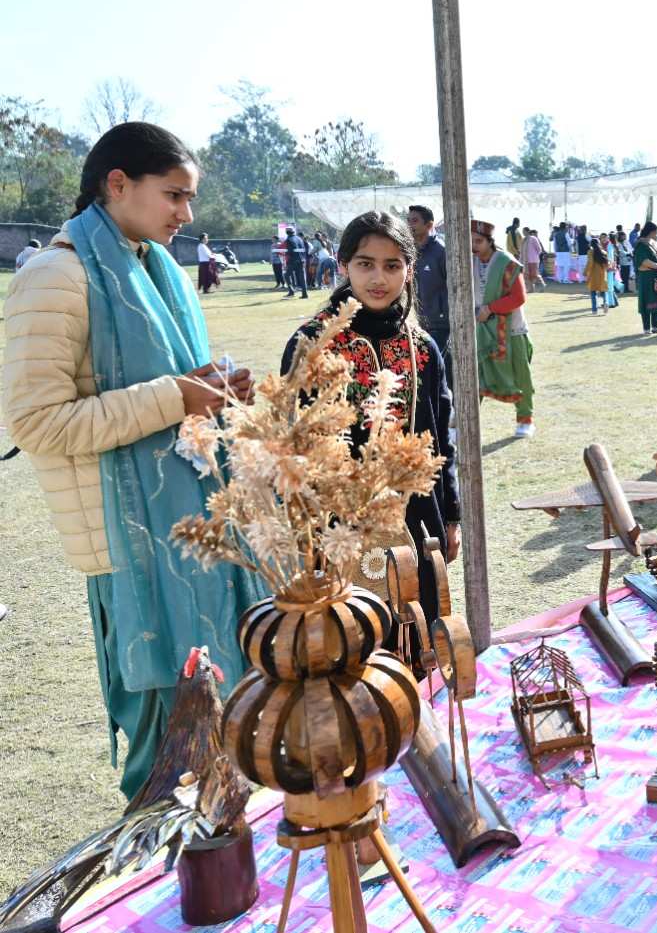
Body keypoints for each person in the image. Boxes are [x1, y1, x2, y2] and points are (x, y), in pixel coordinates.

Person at [1, 121, 259, 799]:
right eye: (174, 194)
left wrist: (212, 392)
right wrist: (176, 397)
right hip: (130, 553)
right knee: (166, 755)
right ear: (117, 184)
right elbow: (35, 421)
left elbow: (171, 389)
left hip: (191, 537)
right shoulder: (57, 275)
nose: (187, 214)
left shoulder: (154, 269)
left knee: (220, 736)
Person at [282, 210, 460, 623]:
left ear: (409, 270)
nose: (379, 278)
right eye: (366, 264)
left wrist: (450, 516)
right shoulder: (312, 343)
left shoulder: (423, 348)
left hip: (416, 518)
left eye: (392, 266)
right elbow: (293, 451)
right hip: (337, 526)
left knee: (419, 632)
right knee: (350, 637)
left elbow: (441, 437)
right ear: (344, 265)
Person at [473, 218, 536, 438]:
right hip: (481, 328)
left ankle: (525, 420)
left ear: (490, 241)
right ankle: (464, 421)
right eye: (471, 241)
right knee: (475, 374)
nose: (474, 246)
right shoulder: (467, 262)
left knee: (520, 375)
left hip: (511, 329)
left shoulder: (506, 262)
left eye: (479, 241)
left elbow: (519, 298)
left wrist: (490, 308)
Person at [407, 204, 450, 369]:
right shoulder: (410, 252)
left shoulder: (441, 251)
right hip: (420, 322)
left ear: (429, 225)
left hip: (441, 324)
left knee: (434, 366)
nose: (410, 225)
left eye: (415, 221)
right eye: (408, 220)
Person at [634, 221, 657, 333]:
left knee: (656, 299)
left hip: (656, 276)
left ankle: (655, 327)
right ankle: (646, 328)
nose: (656, 233)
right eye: (655, 231)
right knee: (646, 301)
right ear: (651, 231)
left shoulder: (654, 243)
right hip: (646, 278)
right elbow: (643, 261)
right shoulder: (641, 244)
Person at [586, 237, 612, 314]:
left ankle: (594, 309)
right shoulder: (603, 252)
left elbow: (590, 263)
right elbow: (608, 264)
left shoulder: (590, 252)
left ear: (591, 244)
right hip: (602, 274)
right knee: (604, 291)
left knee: (593, 292)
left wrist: (585, 272)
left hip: (593, 274)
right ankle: (606, 303)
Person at [282, 225, 308, 298]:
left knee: (286, 275)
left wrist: (286, 253)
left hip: (293, 260)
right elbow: (303, 249)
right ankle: (304, 294)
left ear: (287, 232)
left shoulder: (289, 239)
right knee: (302, 277)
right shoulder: (299, 238)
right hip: (301, 260)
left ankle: (291, 291)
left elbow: (290, 251)